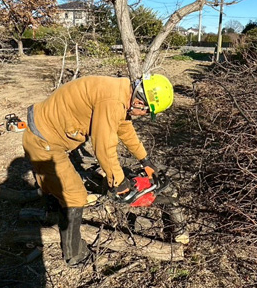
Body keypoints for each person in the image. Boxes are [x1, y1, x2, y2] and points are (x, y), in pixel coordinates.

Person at [22, 74, 174, 266]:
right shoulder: (112, 101)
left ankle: (51, 212)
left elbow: (124, 129)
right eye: (147, 112)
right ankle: (75, 256)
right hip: (43, 140)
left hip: (47, 133)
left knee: (58, 186)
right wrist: (119, 182)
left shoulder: (121, 93)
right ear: (139, 102)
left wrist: (146, 161)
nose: (144, 116)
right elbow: (104, 148)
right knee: (75, 194)